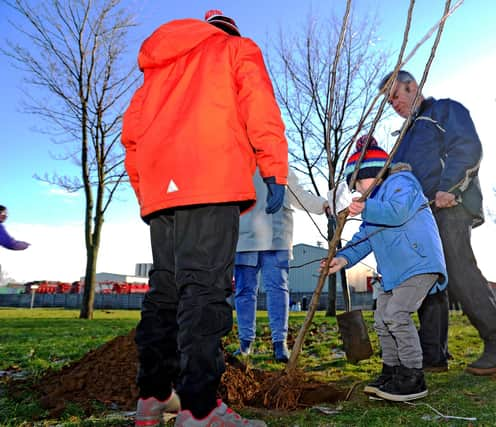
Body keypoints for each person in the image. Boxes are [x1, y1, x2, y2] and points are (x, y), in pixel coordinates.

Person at [121, 9, 287, 427]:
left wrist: (148, 192)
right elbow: (259, 105)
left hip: (163, 191)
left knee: (165, 290)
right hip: (211, 179)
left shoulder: (157, 70)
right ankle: (199, 409)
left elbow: (132, 136)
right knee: (205, 290)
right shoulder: (236, 48)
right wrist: (274, 167)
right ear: (229, 29)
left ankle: (154, 396)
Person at [378, 70, 496, 376]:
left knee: (458, 269)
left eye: (395, 95)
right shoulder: (403, 138)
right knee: (428, 279)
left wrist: (450, 187)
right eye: (388, 101)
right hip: (421, 216)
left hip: (450, 204)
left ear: (412, 86)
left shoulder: (444, 110)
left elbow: (467, 147)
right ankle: (433, 355)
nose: (393, 104)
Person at [322, 135, 447, 402]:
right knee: (382, 319)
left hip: (418, 262)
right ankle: (392, 371)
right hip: (395, 272)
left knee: (397, 314)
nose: (357, 189)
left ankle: (413, 376)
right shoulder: (374, 208)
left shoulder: (401, 183)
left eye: (359, 182)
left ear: (374, 173)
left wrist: (366, 207)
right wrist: (342, 260)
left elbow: (398, 212)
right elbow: (363, 239)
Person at [234, 167, 329, 362]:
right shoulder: (240, 160)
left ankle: (280, 343)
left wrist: (324, 205)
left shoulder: (281, 163)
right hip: (245, 235)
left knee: (277, 289)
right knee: (244, 291)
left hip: (276, 234)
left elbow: (300, 194)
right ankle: (245, 342)